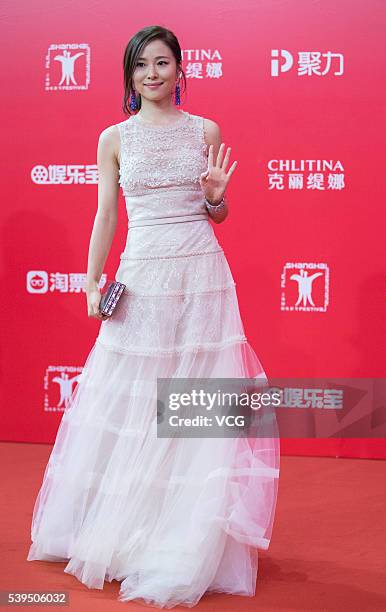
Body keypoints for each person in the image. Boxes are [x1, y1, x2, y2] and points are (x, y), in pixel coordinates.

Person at [27, 25, 280, 608]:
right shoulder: (114, 138)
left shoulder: (206, 130)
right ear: (129, 74)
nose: (152, 74)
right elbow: (107, 215)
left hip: (201, 275)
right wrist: (94, 278)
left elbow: (216, 211)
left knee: (193, 401)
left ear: (180, 69)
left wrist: (216, 196)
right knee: (137, 399)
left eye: (162, 63)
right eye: (142, 65)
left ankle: (182, 539)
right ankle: (126, 531)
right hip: (142, 274)